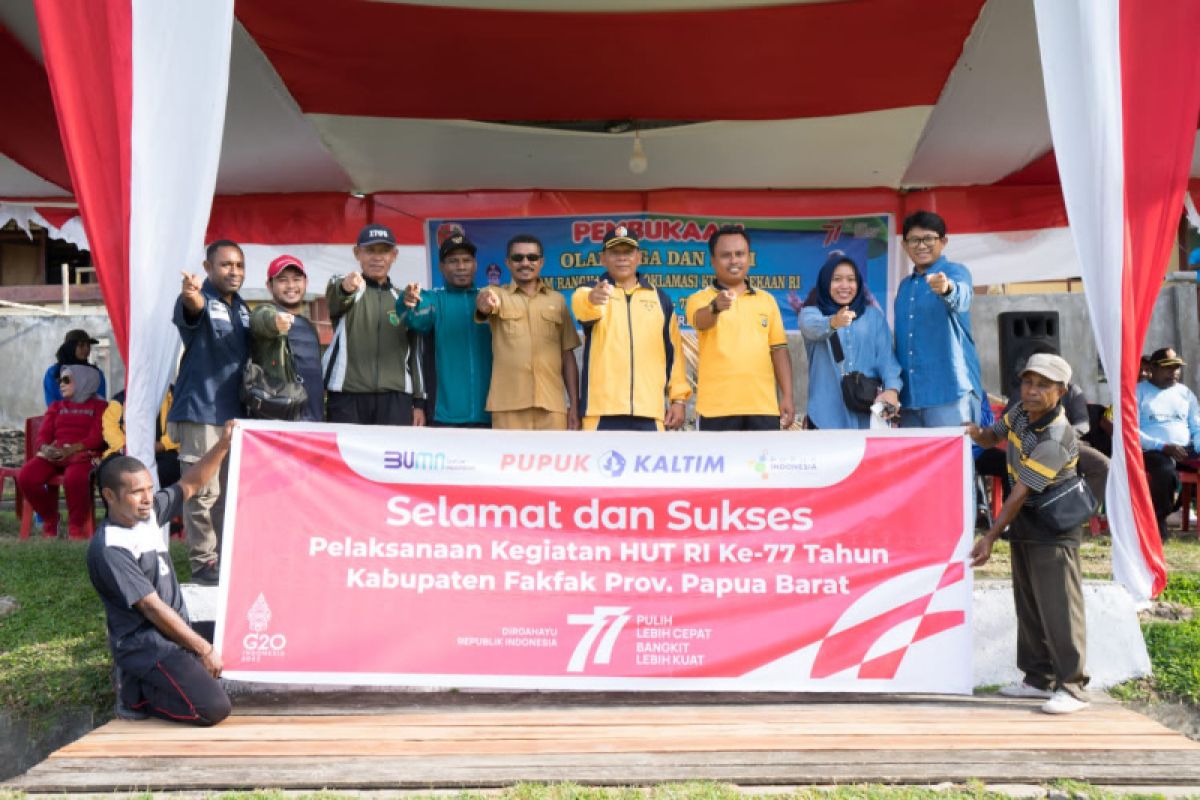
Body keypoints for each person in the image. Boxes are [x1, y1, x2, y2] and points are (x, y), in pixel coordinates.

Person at [87, 422, 236, 726]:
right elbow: (152, 608)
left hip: (173, 629)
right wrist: (204, 649)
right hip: (146, 644)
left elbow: (190, 484)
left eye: (149, 489)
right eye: (136, 492)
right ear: (110, 496)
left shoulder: (147, 515)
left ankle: (166, 674)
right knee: (213, 708)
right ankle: (136, 694)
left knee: (239, 636)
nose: (146, 498)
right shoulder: (110, 547)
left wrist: (223, 445)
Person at [966, 353, 1089, 715]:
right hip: (1026, 521)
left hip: (1054, 526)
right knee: (1030, 604)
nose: (1032, 391)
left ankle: (1073, 686)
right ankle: (1038, 679)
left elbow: (1020, 491)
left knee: (1060, 608)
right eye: (1028, 382)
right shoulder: (1021, 412)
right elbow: (992, 436)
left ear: (1061, 391)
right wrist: (973, 432)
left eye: (1043, 385)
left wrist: (989, 536)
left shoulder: (1056, 436)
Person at [167, 239, 250, 587]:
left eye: (239, 265)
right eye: (226, 264)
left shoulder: (242, 308)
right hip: (201, 410)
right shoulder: (201, 297)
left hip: (235, 414)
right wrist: (190, 294)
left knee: (227, 495)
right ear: (208, 268)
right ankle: (203, 563)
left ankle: (224, 559)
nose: (234, 271)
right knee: (202, 493)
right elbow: (194, 307)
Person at [570, 227, 690, 431]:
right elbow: (582, 305)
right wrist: (592, 298)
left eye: (628, 252)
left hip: (650, 411)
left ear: (639, 257)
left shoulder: (660, 299)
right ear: (603, 259)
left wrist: (678, 399)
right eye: (615, 252)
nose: (622, 258)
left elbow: (674, 354)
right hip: (601, 411)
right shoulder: (591, 289)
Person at [684, 224, 794, 430]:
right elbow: (700, 320)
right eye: (726, 255)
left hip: (763, 408)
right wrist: (715, 307)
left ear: (749, 258)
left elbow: (779, 350)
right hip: (716, 410)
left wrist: (787, 396)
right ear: (713, 261)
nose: (734, 260)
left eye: (740, 254)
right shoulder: (699, 299)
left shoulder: (767, 300)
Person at [476, 234, 581, 430]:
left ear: (541, 262)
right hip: (508, 406)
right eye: (518, 258)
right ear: (508, 263)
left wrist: (574, 406)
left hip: (552, 407)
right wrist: (485, 303)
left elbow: (568, 356)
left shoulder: (557, 300)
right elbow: (485, 301)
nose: (525, 263)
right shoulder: (497, 294)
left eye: (532, 257)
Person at [323, 224, 425, 426]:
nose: (377, 258)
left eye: (384, 251)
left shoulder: (404, 299)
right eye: (370, 250)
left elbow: (416, 355)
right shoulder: (346, 287)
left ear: (394, 255)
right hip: (347, 395)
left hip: (395, 398)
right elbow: (337, 293)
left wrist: (419, 402)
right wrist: (346, 287)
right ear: (357, 253)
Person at [893, 210, 983, 427]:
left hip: (950, 393)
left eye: (929, 239)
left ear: (943, 242)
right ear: (904, 245)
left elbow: (962, 297)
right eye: (914, 240)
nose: (921, 245)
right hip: (910, 398)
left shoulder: (955, 272)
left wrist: (947, 288)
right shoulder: (904, 286)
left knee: (955, 451)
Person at [399, 234, 492, 427]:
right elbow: (413, 317)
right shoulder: (433, 299)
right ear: (441, 266)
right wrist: (406, 300)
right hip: (444, 416)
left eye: (466, 260)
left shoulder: (489, 300)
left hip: (490, 414)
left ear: (475, 264)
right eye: (453, 261)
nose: (461, 266)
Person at [799, 252, 901, 429]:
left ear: (859, 283)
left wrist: (892, 390)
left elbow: (887, 361)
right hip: (825, 416)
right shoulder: (811, 313)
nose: (845, 286)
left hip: (868, 415)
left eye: (851, 279)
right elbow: (812, 328)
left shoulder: (874, 316)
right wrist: (833, 322)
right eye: (837, 279)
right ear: (825, 282)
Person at [18, 364, 107, 539]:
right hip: (56, 454)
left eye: (66, 380)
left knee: (74, 478)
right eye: (60, 380)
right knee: (27, 476)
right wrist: (46, 448)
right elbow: (43, 436)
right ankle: (51, 518)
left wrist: (71, 450)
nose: (61, 384)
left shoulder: (101, 407)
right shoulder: (56, 406)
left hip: (83, 455)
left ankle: (76, 526)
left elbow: (97, 438)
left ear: (83, 381)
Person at [1136, 347, 1200, 540]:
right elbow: (1132, 430)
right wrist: (1162, 446)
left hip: (1186, 449)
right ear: (1152, 369)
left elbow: (1196, 426)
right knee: (1164, 471)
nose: (1174, 372)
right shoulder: (1138, 392)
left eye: (1176, 367)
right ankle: (1159, 522)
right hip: (1153, 450)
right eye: (1168, 368)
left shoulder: (1185, 393)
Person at [250, 254, 324, 422]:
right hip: (281, 420)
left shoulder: (309, 326)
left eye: (297, 279)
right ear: (269, 286)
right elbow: (260, 319)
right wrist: (275, 322)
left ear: (306, 282)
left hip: (315, 419)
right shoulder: (266, 311)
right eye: (282, 280)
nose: (291, 285)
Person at [103, 387, 182, 488]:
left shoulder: (175, 395)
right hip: (126, 450)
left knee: (165, 470)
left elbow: (180, 427)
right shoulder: (121, 398)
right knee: (110, 471)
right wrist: (125, 446)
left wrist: (162, 444)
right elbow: (109, 426)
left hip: (163, 451)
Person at [43, 328, 107, 406]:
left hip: (90, 414)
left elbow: (101, 402)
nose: (86, 349)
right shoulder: (54, 372)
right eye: (81, 345)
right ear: (70, 347)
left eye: (88, 345)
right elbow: (52, 403)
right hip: (62, 413)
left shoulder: (96, 373)